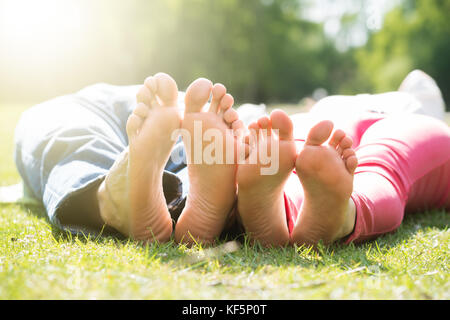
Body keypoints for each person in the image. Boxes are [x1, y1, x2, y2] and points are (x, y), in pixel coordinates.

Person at [14, 70, 449, 247]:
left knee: (50, 120)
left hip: (252, 140)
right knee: (376, 164)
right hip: (248, 137)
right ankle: (276, 211)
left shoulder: (408, 107)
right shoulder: (413, 110)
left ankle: (116, 197)